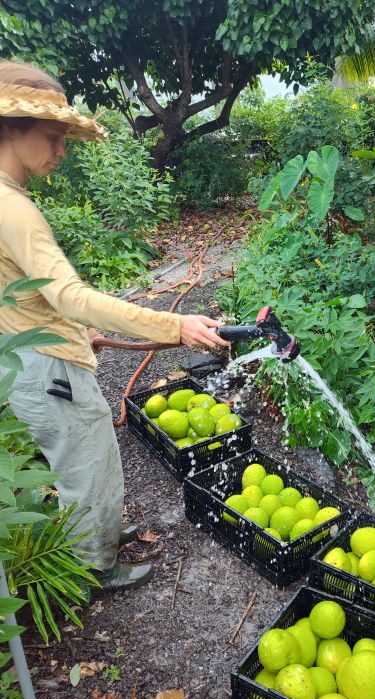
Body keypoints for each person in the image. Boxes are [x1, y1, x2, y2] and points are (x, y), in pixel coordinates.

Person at [0, 61, 227, 592]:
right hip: (46, 366)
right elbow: (69, 297)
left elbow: (27, 299)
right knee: (90, 463)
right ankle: (93, 565)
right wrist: (174, 324)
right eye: (53, 138)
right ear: (11, 127)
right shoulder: (14, 210)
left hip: (26, 355)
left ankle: (94, 530)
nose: (61, 151)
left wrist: (79, 333)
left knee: (83, 457)